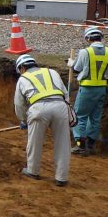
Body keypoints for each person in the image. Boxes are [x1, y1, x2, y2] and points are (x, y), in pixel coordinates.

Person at [14, 54, 72, 187]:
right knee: (63, 143)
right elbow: (65, 94)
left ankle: (33, 171)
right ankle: (62, 177)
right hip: (60, 106)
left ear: (22, 67)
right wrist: (67, 110)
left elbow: (19, 104)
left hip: (39, 109)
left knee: (35, 142)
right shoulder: (52, 72)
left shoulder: (23, 78)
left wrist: (23, 120)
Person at [68, 26, 108, 156]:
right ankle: (90, 145)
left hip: (87, 88)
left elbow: (76, 68)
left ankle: (80, 146)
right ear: (100, 38)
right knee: (95, 118)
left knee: (80, 116)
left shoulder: (85, 52)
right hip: (101, 89)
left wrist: (71, 63)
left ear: (88, 38)